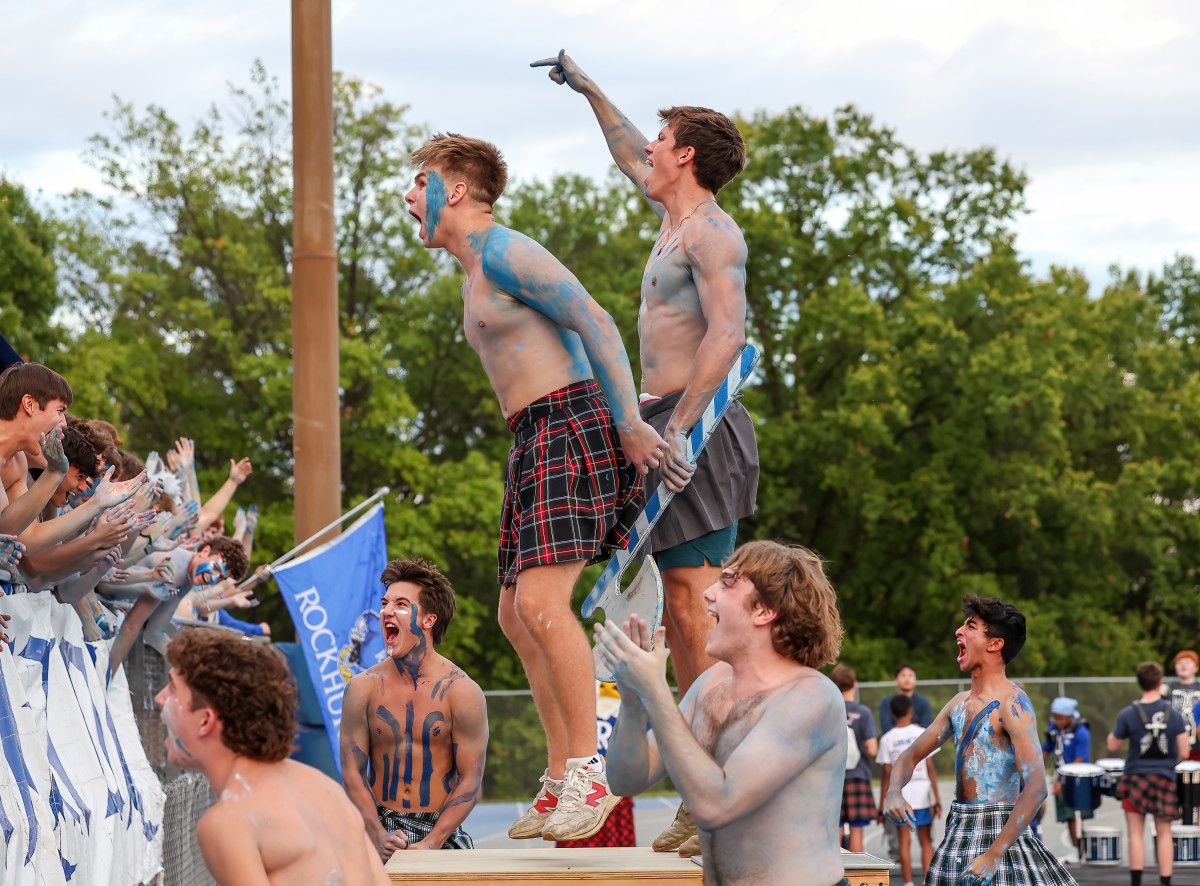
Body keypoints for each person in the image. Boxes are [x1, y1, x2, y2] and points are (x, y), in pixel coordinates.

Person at [403, 133, 666, 841]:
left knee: (545, 604)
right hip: (530, 438)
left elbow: (596, 320)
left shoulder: (503, 250)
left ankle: (590, 772)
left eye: (418, 181)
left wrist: (631, 423)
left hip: (571, 422)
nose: (408, 196)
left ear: (454, 189)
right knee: (515, 614)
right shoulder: (471, 276)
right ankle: (559, 777)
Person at [532, 50, 761, 850]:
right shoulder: (671, 217)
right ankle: (697, 788)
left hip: (694, 431)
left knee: (702, 623)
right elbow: (627, 148)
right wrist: (590, 88)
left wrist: (677, 429)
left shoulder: (712, 233)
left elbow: (728, 335)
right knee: (668, 616)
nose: (649, 150)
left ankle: (711, 799)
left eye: (663, 139)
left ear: (687, 154)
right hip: (660, 425)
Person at [596, 540, 850, 886]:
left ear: (764, 611)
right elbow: (626, 779)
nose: (708, 593)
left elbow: (718, 806)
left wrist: (656, 693)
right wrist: (634, 701)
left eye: (727, 583)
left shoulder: (810, 696)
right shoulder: (710, 683)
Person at [155, 628, 389, 885]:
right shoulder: (322, 786)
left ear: (205, 721)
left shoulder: (228, 822)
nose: (159, 698)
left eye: (173, 688)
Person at [882, 595, 1075, 886]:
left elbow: (1036, 788)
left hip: (1001, 833)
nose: (959, 631)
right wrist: (894, 791)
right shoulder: (958, 704)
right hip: (958, 830)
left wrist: (993, 855)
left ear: (995, 644)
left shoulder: (1013, 704)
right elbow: (908, 756)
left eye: (970, 626)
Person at [340, 557, 488, 857]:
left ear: (428, 620)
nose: (386, 611)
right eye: (385, 603)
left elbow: (471, 779)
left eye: (401, 604)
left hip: (439, 829)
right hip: (378, 824)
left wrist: (432, 842)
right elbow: (352, 771)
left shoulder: (462, 691)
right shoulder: (362, 687)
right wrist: (378, 834)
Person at [1108, 661, 1188, 886]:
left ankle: (1136, 882)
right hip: (1164, 778)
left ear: (1139, 683)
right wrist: (1168, 763)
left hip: (1134, 778)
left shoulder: (1128, 713)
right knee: (1164, 833)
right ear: (1160, 683)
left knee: (1135, 834)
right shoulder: (1174, 714)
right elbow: (1184, 751)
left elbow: (1113, 745)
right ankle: (1165, 882)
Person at [877, 695, 940, 886]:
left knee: (904, 842)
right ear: (911, 711)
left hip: (900, 797)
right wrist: (936, 799)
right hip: (921, 795)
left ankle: (908, 883)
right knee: (925, 842)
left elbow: (886, 774)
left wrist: (882, 805)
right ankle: (928, 881)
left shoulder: (887, 738)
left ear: (891, 713)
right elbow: (929, 767)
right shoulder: (922, 732)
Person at [831, 664, 878, 853]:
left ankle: (834, 878)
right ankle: (859, 877)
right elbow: (872, 749)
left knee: (835, 829)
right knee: (857, 832)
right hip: (858, 776)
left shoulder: (828, 710)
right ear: (855, 684)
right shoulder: (863, 712)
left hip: (832, 779)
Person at [1043, 696, 1091, 865]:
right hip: (1060, 776)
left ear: (1070, 717)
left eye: (1060, 718)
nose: (1056, 721)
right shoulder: (1053, 730)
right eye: (1054, 717)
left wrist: (1061, 780)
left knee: (1075, 816)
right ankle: (1076, 849)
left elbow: (1080, 759)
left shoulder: (1081, 732)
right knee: (1067, 815)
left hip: (1077, 778)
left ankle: (1078, 850)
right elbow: (1045, 751)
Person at [878, 663, 935, 734]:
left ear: (915, 679)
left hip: (919, 743)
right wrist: (915, 726)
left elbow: (926, 728)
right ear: (896, 679)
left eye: (910, 675)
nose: (907, 679)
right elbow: (886, 728)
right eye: (903, 675)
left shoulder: (924, 702)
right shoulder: (886, 702)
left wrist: (900, 728)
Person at [1165, 650, 1200, 761]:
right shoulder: (1167, 688)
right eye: (1180, 662)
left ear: (1196, 668)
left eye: (1188, 662)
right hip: (1174, 743)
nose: (1183, 665)